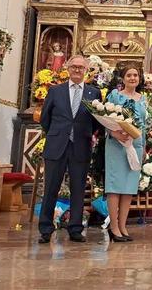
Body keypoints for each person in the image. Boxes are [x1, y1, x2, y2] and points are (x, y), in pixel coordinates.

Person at [38, 55, 101, 244]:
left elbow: (96, 122)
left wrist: (83, 134)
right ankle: (46, 228)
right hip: (57, 145)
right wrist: (59, 134)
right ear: (67, 68)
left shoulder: (93, 93)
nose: (77, 70)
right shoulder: (55, 91)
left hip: (80, 146)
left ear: (86, 70)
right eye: (74, 66)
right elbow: (45, 119)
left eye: (81, 68)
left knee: (78, 189)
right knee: (50, 188)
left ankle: (75, 228)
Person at [104, 65, 148, 243]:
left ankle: (122, 226)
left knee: (129, 187)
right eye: (129, 75)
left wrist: (143, 146)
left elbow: (144, 124)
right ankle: (113, 226)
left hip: (135, 145)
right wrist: (114, 132)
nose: (132, 78)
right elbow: (105, 118)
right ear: (122, 78)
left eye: (135, 75)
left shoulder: (142, 98)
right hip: (117, 144)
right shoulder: (115, 95)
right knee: (115, 186)